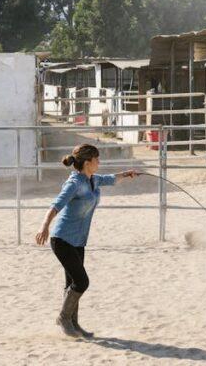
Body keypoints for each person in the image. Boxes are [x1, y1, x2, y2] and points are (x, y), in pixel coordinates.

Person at [35, 144, 142, 338]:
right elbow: (56, 205)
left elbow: (110, 179)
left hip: (78, 241)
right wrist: (44, 226)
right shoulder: (74, 183)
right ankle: (64, 318)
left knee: (72, 283)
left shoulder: (92, 179)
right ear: (87, 162)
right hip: (62, 239)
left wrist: (127, 174)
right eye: (97, 159)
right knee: (82, 282)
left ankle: (73, 323)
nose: (99, 162)